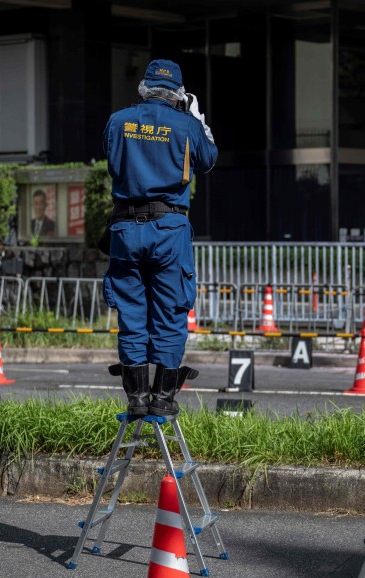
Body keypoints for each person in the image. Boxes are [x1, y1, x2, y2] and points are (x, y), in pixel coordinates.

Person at [101, 58, 217, 417]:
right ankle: (163, 398)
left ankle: (136, 398)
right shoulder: (186, 125)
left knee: (131, 312)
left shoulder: (118, 121)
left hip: (126, 229)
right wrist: (197, 120)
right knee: (170, 311)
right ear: (180, 94)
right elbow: (208, 159)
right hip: (169, 230)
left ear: (143, 88)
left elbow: (112, 160)